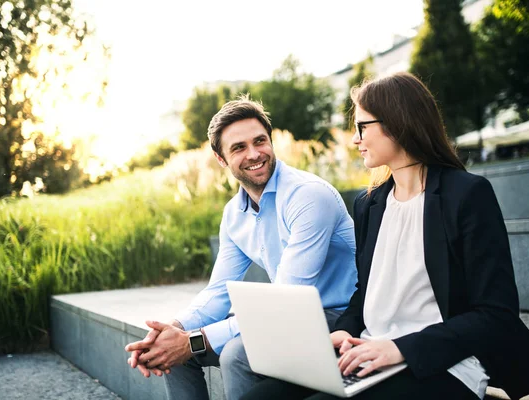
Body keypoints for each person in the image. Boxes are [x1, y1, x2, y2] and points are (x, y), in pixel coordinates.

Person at [241, 72, 529, 400]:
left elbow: (496, 314)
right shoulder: (369, 205)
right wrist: (344, 332)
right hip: (369, 352)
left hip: (445, 364)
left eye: (362, 126)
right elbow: (366, 294)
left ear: (397, 123)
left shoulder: (467, 196)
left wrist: (399, 348)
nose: (355, 139)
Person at [124, 95, 358, 400]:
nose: (254, 153)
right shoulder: (235, 214)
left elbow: (285, 302)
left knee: (236, 352)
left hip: (340, 315)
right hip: (291, 316)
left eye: (260, 141)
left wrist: (193, 340)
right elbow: (218, 292)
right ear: (221, 160)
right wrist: (171, 330)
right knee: (173, 350)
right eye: (238, 147)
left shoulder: (308, 197)